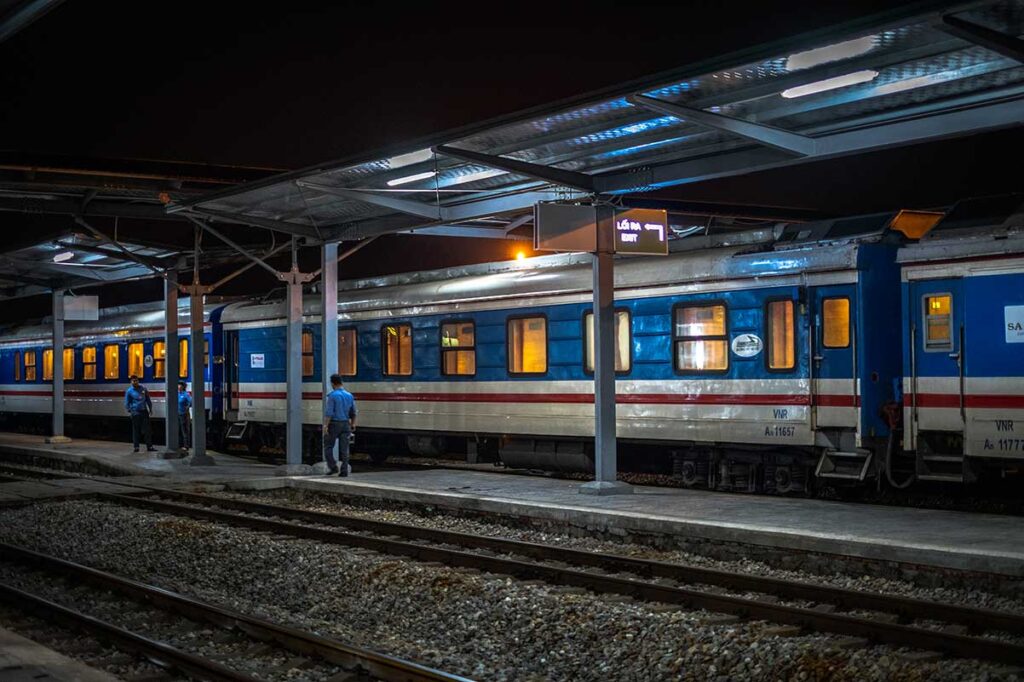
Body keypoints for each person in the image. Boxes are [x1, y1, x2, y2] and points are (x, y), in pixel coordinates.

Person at [322, 373, 357, 476]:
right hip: (346, 424)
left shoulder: (332, 396)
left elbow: (329, 413)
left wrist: (325, 426)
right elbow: (354, 412)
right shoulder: (349, 395)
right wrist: (353, 424)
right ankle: (344, 471)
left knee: (328, 446)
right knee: (345, 449)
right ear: (341, 382)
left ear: (333, 383)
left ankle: (333, 467)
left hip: (334, 424)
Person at [124, 375, 155, 453]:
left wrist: (150, 409)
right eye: (133, 381)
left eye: (136, 380)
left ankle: (149, 446)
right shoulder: (129, 391)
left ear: (138, 381)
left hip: (144, 411)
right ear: (131, 382)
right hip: (135, 412)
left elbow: (148, 399)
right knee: (136, 430)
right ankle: (136, 447)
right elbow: (127, 403)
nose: (135, 382)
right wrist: (131, 411)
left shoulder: (143, 389)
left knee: (147, 430)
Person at [177, 381, 192, 452]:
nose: (178, 386)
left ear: (183, 387)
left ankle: (186, 446)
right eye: (178, 385)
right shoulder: (177, 394)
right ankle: (179, 445)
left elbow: (191, 402)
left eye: (180, 385)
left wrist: (187, 407)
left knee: (184, 431)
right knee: (178, 430)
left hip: (184, 414)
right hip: (177, 414)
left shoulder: (186, 394)